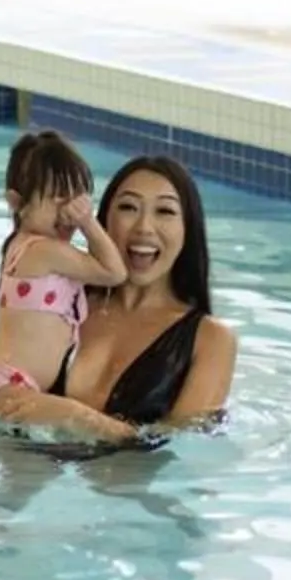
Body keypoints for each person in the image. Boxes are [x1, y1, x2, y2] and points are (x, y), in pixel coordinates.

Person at [62, 155, 239, 427]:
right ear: (104, 221)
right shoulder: (65, 302)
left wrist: (75, 417)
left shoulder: (210, 340)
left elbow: (178, 445)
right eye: (128, 207)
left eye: (165, 211)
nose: (144, 228)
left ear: (187, 229)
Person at [0, 131, 126, 420]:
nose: (68, 213)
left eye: (75, 199)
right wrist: (88, 223)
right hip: (8, 388)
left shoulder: (19, 247)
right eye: (56, 199)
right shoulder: (43, 251)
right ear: (17, 203)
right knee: (91, 423)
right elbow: (114, 272)